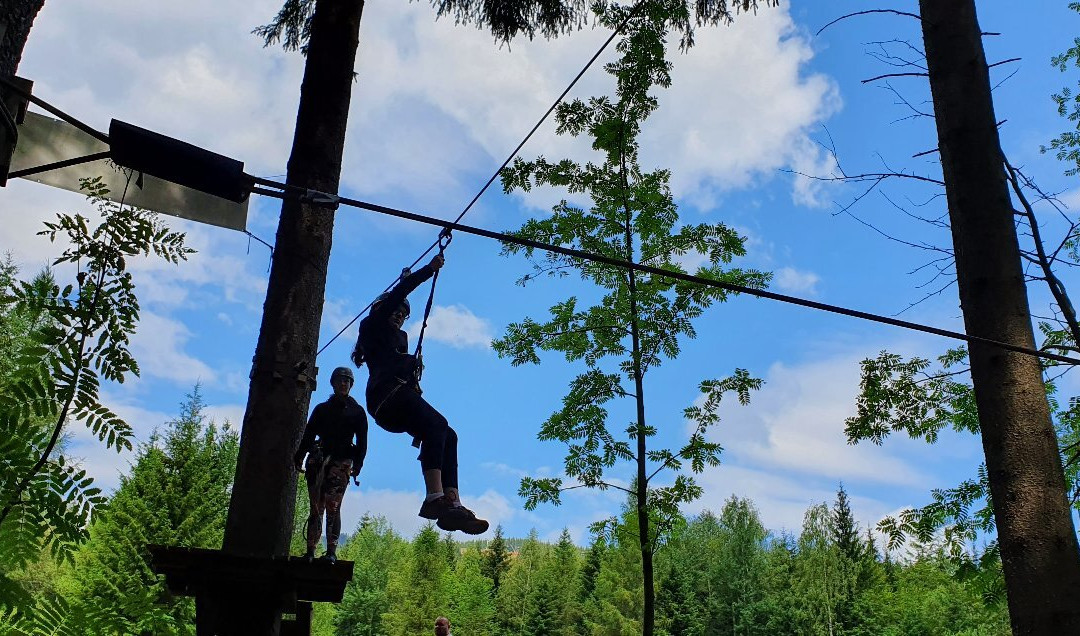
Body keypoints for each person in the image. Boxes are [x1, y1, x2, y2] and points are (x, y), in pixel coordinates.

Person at [353, 252, 488, 535]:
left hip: (395, 400)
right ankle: (433, 498)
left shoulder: (397, 343)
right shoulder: (372, 326)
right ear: (382, 310)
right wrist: (427, 270)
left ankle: (451, 501)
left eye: (404, 314)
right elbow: (397, 294)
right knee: (437, 425)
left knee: (447, 434)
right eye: (396, 311)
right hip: (386, 396)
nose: (400, 316)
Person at [293, 366, 368, 562]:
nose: (343, 383)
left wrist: (357, 465)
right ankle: (310, 550)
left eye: (347, 381)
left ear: (351, 385)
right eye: (340, 380)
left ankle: (332, 552)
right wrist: (299, 455)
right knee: (316, 508)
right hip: (318, 462)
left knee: (333, 507)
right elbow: (308, 435)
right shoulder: (322, 410)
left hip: (341, 464)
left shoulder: (357, 413)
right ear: (333, 383)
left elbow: (362, 443)